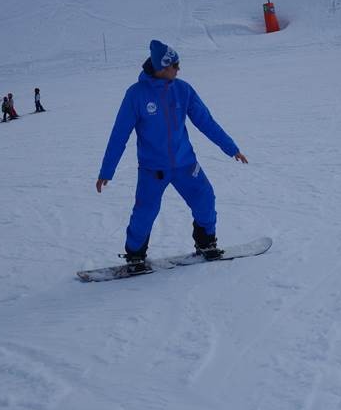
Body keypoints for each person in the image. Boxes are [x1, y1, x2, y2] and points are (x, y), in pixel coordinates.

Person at [96, 40, 248, 270]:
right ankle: (135, 255)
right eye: (175, 65)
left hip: (185, 164)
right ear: (162, 67)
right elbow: (119, 135)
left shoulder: (183, 90)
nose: (179, 69)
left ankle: (206, 243)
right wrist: (107, 170)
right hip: (152, 169)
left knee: (205, 198)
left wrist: (231, 148)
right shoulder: (136, 95)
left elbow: (206, 122)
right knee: (145, 212)